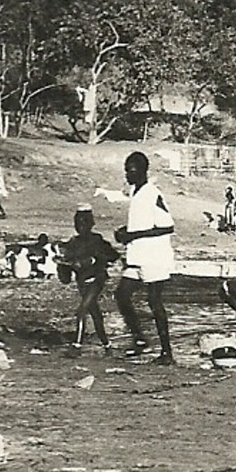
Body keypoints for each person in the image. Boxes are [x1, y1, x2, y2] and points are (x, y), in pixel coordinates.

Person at [114, 151, 177, 363]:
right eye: (126, 171)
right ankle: (140, 337)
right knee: (122, 295)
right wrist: (126, 231)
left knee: (154, 301)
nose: (128, 175)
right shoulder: (136, 192)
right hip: (137, 254)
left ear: (143, 171)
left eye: (131, 171)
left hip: (155, 256)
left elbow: (167, 226)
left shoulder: (152, 193)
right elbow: (143, 223)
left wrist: (132, 234)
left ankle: (167, 353)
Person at [58, 206, 119, 350]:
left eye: (85, 222)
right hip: (82, 282)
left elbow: (113, 256)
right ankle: (106, 343)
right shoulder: (73, 243)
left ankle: (77, 345)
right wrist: (62, 266)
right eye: (78, 223)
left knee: (82, 311)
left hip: (96, 279)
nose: (81, 226)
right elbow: (65, 279)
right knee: (94, 311)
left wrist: (96, 259)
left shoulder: (97, 240)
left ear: (91, 223)